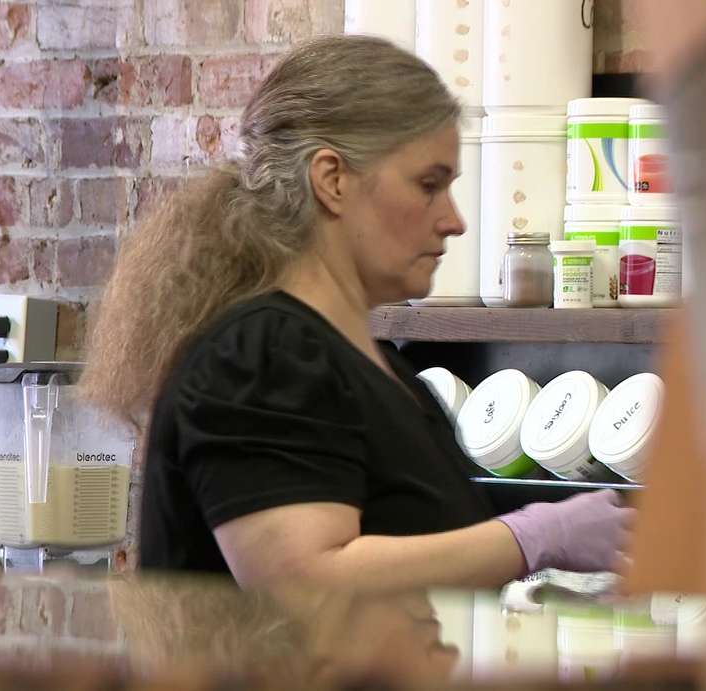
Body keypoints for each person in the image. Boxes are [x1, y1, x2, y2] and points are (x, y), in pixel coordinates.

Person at [81, 35, 632, 592]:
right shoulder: (262, 358)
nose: (454, 220)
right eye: (428, 185)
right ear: (333, 180)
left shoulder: (383, 373)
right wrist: (531, 538)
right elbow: (303, 583)